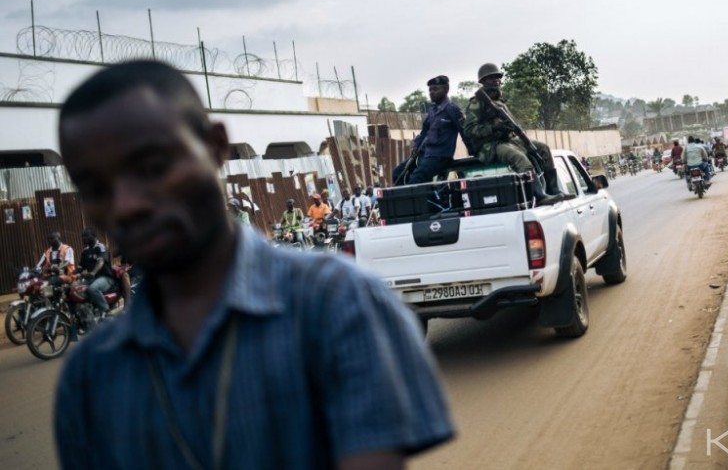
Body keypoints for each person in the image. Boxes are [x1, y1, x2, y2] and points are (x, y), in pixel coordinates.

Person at [55, 60, 453, 469]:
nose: (126, 205)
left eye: (152, 167)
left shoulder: (340, 305)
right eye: (95, 187)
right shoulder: (89, 377)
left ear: (215, 147)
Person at [464, 63, 566, 205]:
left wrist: (511, 130)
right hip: (490, 146)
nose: (496, 80)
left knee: (543, 148)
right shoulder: (477, 102)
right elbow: (469, 130)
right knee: (519, 158)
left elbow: (513, 126)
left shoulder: (499, 102)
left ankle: (554, 191)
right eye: (491, 78)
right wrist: (494, 128)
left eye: (498, 77)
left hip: (509, 139)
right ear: (483, 81)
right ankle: (540, 196)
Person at [391, 75, 474, 185]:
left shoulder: (452, 109)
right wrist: (416, 146)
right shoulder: (432, 111)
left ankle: (421, 196)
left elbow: (464, 132)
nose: (431, 92)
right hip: (425, 154)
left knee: (416, 179)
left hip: (440, 156)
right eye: (430, 90)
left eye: (435, 89)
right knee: (397, 173)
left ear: (446, 89)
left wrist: (473, 151)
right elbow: (424, 133)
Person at [78, 227, 116, 316]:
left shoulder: (101, 247)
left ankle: (106, 311)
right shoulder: (85, 251)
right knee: (74, 288)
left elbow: (101, 261)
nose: (83, 238)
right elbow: (80, 267)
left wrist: (93, 272)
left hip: (105, 277)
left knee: (93, 289)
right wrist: (70, 276)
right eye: (82, 236)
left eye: (86, 236)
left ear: (94, 236)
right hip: (91, 279)